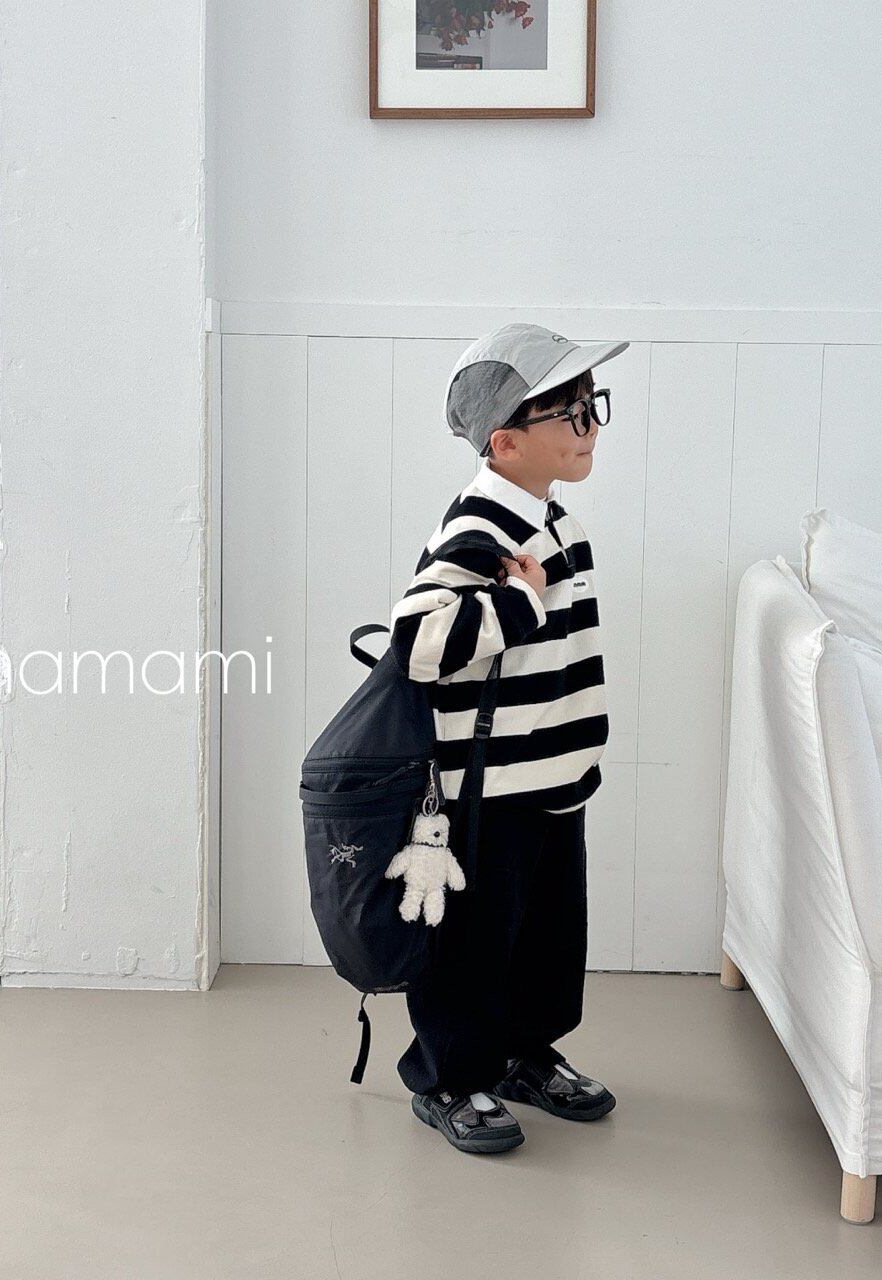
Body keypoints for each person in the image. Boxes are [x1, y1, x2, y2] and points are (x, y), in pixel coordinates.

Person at [387, 322, 629, 1154]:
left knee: (550, 933)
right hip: (490, 788)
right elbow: (418, 642)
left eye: (593, 405)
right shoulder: (481, 526)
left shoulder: (555, 520)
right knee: (474, 940)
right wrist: (519, 601)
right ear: (506, 440)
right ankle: (449, 1077)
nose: (591, 426)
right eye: (572, 411)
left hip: (553, 772)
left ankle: (525, 1052)